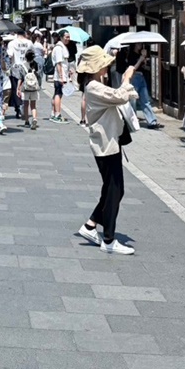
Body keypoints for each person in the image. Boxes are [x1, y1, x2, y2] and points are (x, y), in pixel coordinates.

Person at [74, 46, 138, 256]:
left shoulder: (95, 84)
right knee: (114, 189)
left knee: (112, 189)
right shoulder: (93, 86)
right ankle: (109, 239)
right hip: (105, 144)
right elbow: (120, 96)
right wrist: (127, 78)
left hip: (110, 141)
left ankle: (91, 225)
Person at [126, 48, 161, 129]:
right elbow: (132, 69)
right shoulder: (131, 55)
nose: (139, 46)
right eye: (138, 44)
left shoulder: (140, 54)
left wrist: (144, 61)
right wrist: (140, 59)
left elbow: (144, 67)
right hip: (134, 77)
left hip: (141, 77)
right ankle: (133, 120)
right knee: (133, 100)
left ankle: (152, 121)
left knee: (145, 100)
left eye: (140, 44)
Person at [6, 30, 30, 119]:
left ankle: (18, 108)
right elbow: (32, 55)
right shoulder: (29, 43)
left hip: (15, 68)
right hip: (27, 69)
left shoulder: (12, 43)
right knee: (26, 89)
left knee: (16, 89)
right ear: (25, 34)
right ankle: (25, 106)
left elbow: (10, 55)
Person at [50, 30, 71, 123]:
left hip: (63, 74)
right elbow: (59, 63)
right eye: (66, 37)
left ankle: (53, 113)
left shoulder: (62, 47)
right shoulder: (59, 48)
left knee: (57, 94)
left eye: (69, 37)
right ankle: (57, 114)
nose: (68, 39)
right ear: (61, 37)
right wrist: (61, 76)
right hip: (59, 75)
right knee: (58, 94)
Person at [21, 53, 41, 129]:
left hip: (26, 88)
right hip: (34, 88)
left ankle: (26, 121)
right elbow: (39, 76)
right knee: (33, 105)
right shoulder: (36, 65)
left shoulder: (23, 65)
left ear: (25, 58)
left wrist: (18, 88)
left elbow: (20, 78)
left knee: (26, 105)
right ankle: (34, 118)